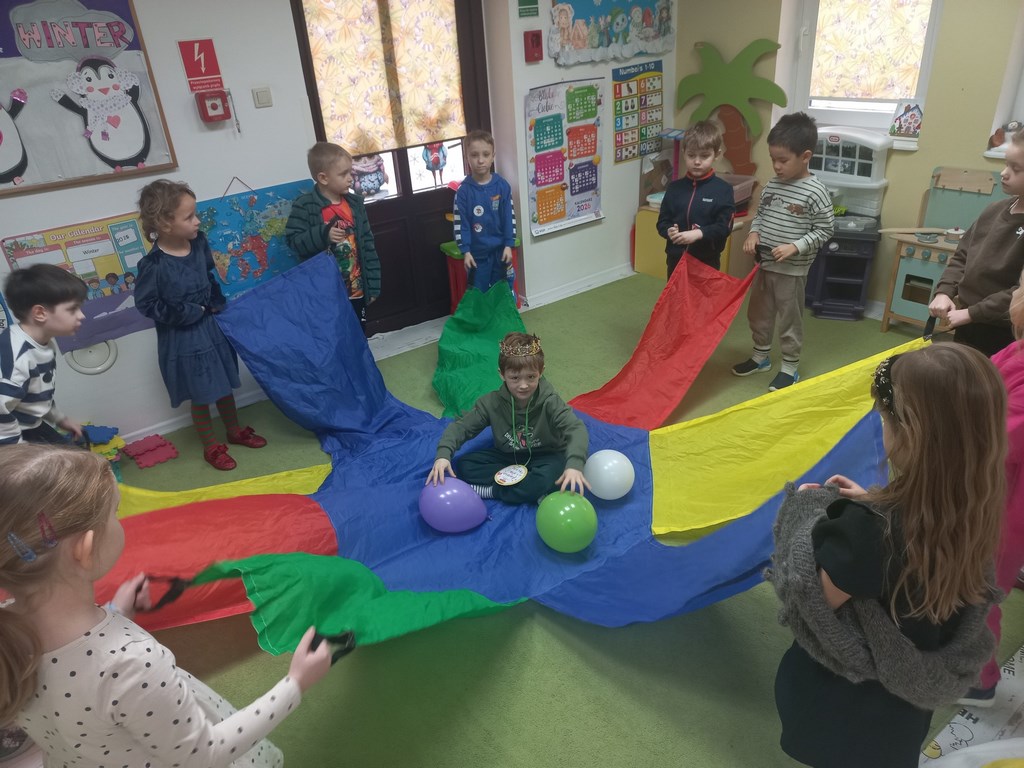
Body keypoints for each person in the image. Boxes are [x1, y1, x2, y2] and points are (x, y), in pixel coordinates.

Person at [0, 443, 332, 766]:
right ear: (84, 549)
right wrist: (295, 683)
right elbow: (204, 755)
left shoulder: (9, 626)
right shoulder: (131, 662)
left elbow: (75, 665)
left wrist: (116, 613)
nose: (120, 521)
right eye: (115, 513)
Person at [767, 344, 1005, 767]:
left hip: (840, 709)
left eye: (884, 417)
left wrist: (806, 510)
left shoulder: (866, 534)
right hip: (901, 717)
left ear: (908, 431)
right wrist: (873, 503)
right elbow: (903, 539)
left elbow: (807, 599)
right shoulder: (973, 513)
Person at [134, 179, 268, 471]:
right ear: (165, 224)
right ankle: (211, 447)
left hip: (211, 328)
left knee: (223, 384)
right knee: (201, 393)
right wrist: (188, 311)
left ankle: (234, 431)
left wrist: (216, 301)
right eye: (189, 217)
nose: (197, 221)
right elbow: (147, 304)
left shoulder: (199, 243)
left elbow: (208, 276)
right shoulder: (153, 265)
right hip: (185, 339)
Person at [733, 112, 834, 391]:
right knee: (758, 314)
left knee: (789, 319)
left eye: (783, 160)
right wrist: (753, 233)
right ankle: (760, 356)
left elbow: (825, 230)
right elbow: (761, 215)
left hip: (792, 271)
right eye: (773, 159)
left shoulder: (815, 192)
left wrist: (795, 246)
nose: (776, 166)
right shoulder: (773, 185)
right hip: (764, 265)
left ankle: (790, 367)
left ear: (805, 156)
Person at [426, 332, 590, 504]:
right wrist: (443, 455)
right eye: (514, 378)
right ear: (502, 374)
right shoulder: (491, 402)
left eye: (531, 377)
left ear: (541, 372)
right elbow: (462, 427)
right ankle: (531, 490)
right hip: (509, 456)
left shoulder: (550, 401)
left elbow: (575, 429)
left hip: (547, 456)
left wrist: (575, 465)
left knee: (552, 474)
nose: (523, 385)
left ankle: (493, 491)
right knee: (465, 465)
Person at [962, 269, 1024, 706]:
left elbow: (1000, 439)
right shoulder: (1016, 351)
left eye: (1019, 288)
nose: (1013, 293)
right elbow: (983, 379)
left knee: (981, 591)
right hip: (987, 494)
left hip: (1005, 508)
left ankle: (978, 682)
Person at [928, 128, 1024, 357]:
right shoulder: (995, 209)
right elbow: (962, 255)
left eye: (1016, 169)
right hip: (968, 320)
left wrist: (973, 313)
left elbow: (1021, 292)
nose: (1004, 173)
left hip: (1005, 330)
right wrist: (944, 292)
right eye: (1006, 164)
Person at [285, 142, 382, 329]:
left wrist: (373, 285)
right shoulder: (305, 206)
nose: (350, 179)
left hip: (356, 290)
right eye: (343, 174)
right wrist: (324, 235)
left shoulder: (355, 204)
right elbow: (294, 241)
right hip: (324, 293)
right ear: (323, 178)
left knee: (358, 333)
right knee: (333, 335)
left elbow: (368, 245)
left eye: (350, 172)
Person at [0, 264, 86, 446]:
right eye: (73, 309)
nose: (81, 316)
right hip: (9, 435)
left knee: (72, 455)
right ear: (40, 313)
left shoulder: (44, 344)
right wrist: (18, 454)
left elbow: (38, 392)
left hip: (29, 424)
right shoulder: (17, 357)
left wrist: (60, 419)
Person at [656, 121, 735, 276]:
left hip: (706, 261)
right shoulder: (674, 188)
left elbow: (724, 227)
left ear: (716, 154)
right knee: (676, 292)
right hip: (676, 259)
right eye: (691, 155)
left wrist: (699, 233)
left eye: (704, 156)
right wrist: (669, 231)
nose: (697, 162)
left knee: (702, 293)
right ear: (684, 152)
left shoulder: (723, 190)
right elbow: (662, 222)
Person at [453, 130, 518, 294]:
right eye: (474, 155)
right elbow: (461, 224)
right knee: (478, 293)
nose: (480, 160)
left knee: (503, 290)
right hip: (476, 256)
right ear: (467, 157)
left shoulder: (502, 186)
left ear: (493, 156)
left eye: (486, 154)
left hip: (501, 252)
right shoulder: (463, 192)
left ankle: (504, 311)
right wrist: (466, 251)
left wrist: (508, 244)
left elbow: (509, 218)